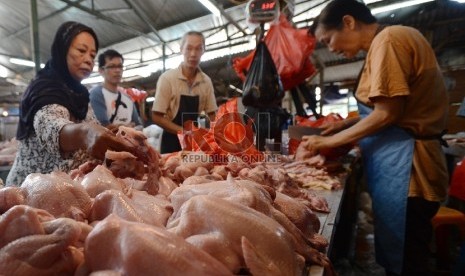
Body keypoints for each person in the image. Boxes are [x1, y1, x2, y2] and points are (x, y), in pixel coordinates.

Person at [304, 0, 449, 275]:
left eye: (329, 39)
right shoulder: (386, 43)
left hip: (410, 172)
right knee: (405, 253)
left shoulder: (390, 41)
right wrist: (345, 124)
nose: (331, 48)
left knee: (408, 261)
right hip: (402, 168)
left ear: (348, 22)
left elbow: (387, 114)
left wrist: (329, 142)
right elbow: (398, 107)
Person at [6, 21, 139, 187]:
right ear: (63, 50)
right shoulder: (44, 88)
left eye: (92, 55)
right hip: (30, 195)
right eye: (82, 51)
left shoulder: (80, 94)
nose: (89, 59)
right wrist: (86, 134)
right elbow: (50, 125)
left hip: (67, 190)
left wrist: (110, 132)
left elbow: (92, 127)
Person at [151, 31, 217, 154]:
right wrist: (183, 132)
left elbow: (213, 114)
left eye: (198, 49)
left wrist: (219, 132)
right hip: (171, 141)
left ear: (204, 51)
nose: (193, 54)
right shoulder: (168, 78)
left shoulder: (206, 81)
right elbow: (156, 116)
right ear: (181, 49)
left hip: (193, 140)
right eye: (189, 48)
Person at [89, 49, 143, 130]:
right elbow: (103, 126)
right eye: (112, 66)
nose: (117, 70)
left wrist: (119, 128)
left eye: (120, 66)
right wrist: (128, 127)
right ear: (101, 70)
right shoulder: (96, 94)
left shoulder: (128, 98)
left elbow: (139, 125)